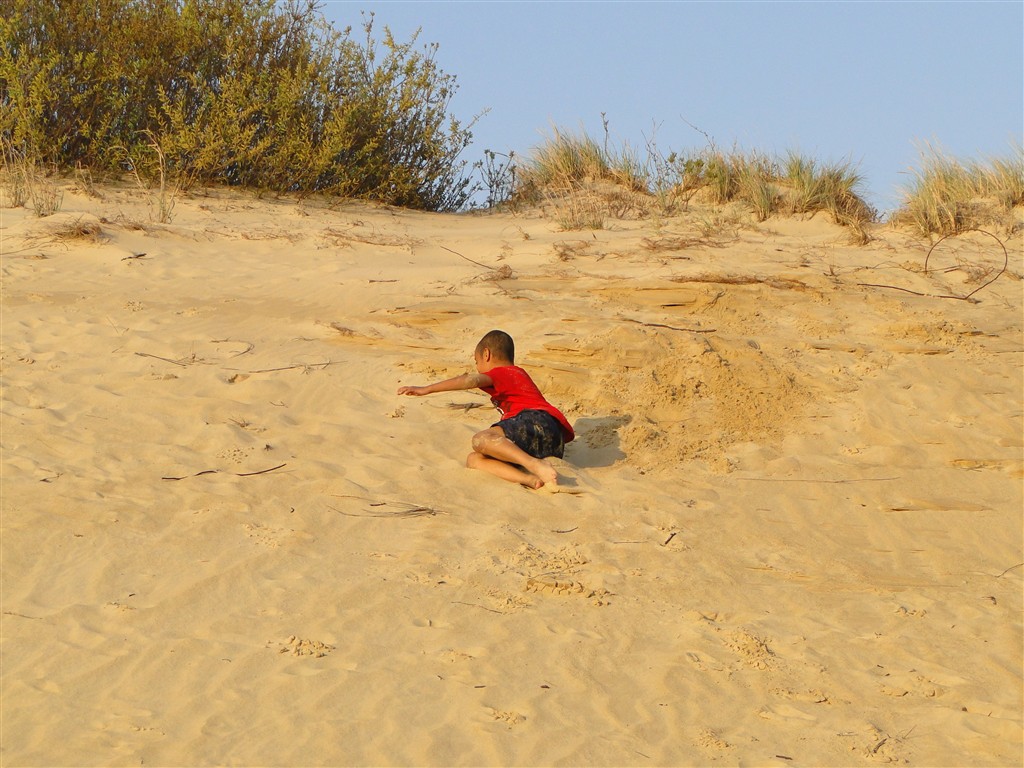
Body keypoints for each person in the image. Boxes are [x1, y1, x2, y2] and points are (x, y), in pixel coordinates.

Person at [397, 329, 574, 489]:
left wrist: (426, 389)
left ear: (486, 354)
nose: (478, 368)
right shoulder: (517, 376)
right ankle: (529, 479)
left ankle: (534, 465)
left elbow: (470, 380)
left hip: (536, 420)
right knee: (474, 460)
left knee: (481, 439)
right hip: (552, 442)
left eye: (477, 362)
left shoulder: (505, 372)